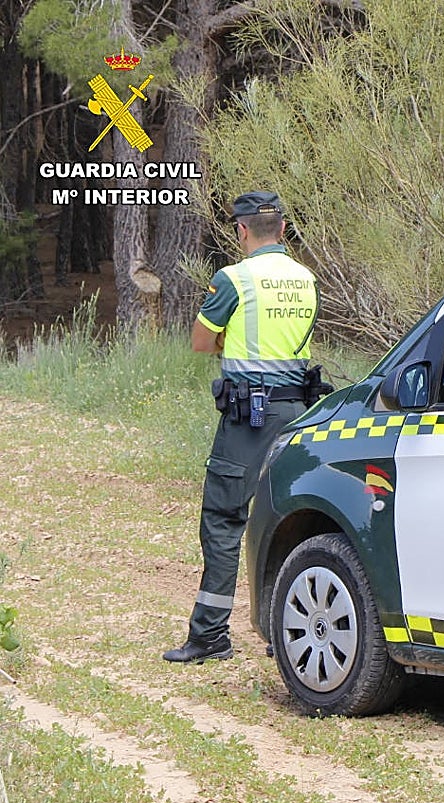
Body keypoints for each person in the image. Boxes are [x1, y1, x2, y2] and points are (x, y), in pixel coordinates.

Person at [164, 191, 318, 664]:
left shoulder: (234, 278)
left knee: (224, 519)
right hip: (300, 414)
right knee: (293, 517)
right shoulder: (306, 279)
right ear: (285, 231)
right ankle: (288, 631)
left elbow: (199, 340)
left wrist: (227, 341)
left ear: (242, 231)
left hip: (248, 420)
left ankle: (211, 635)